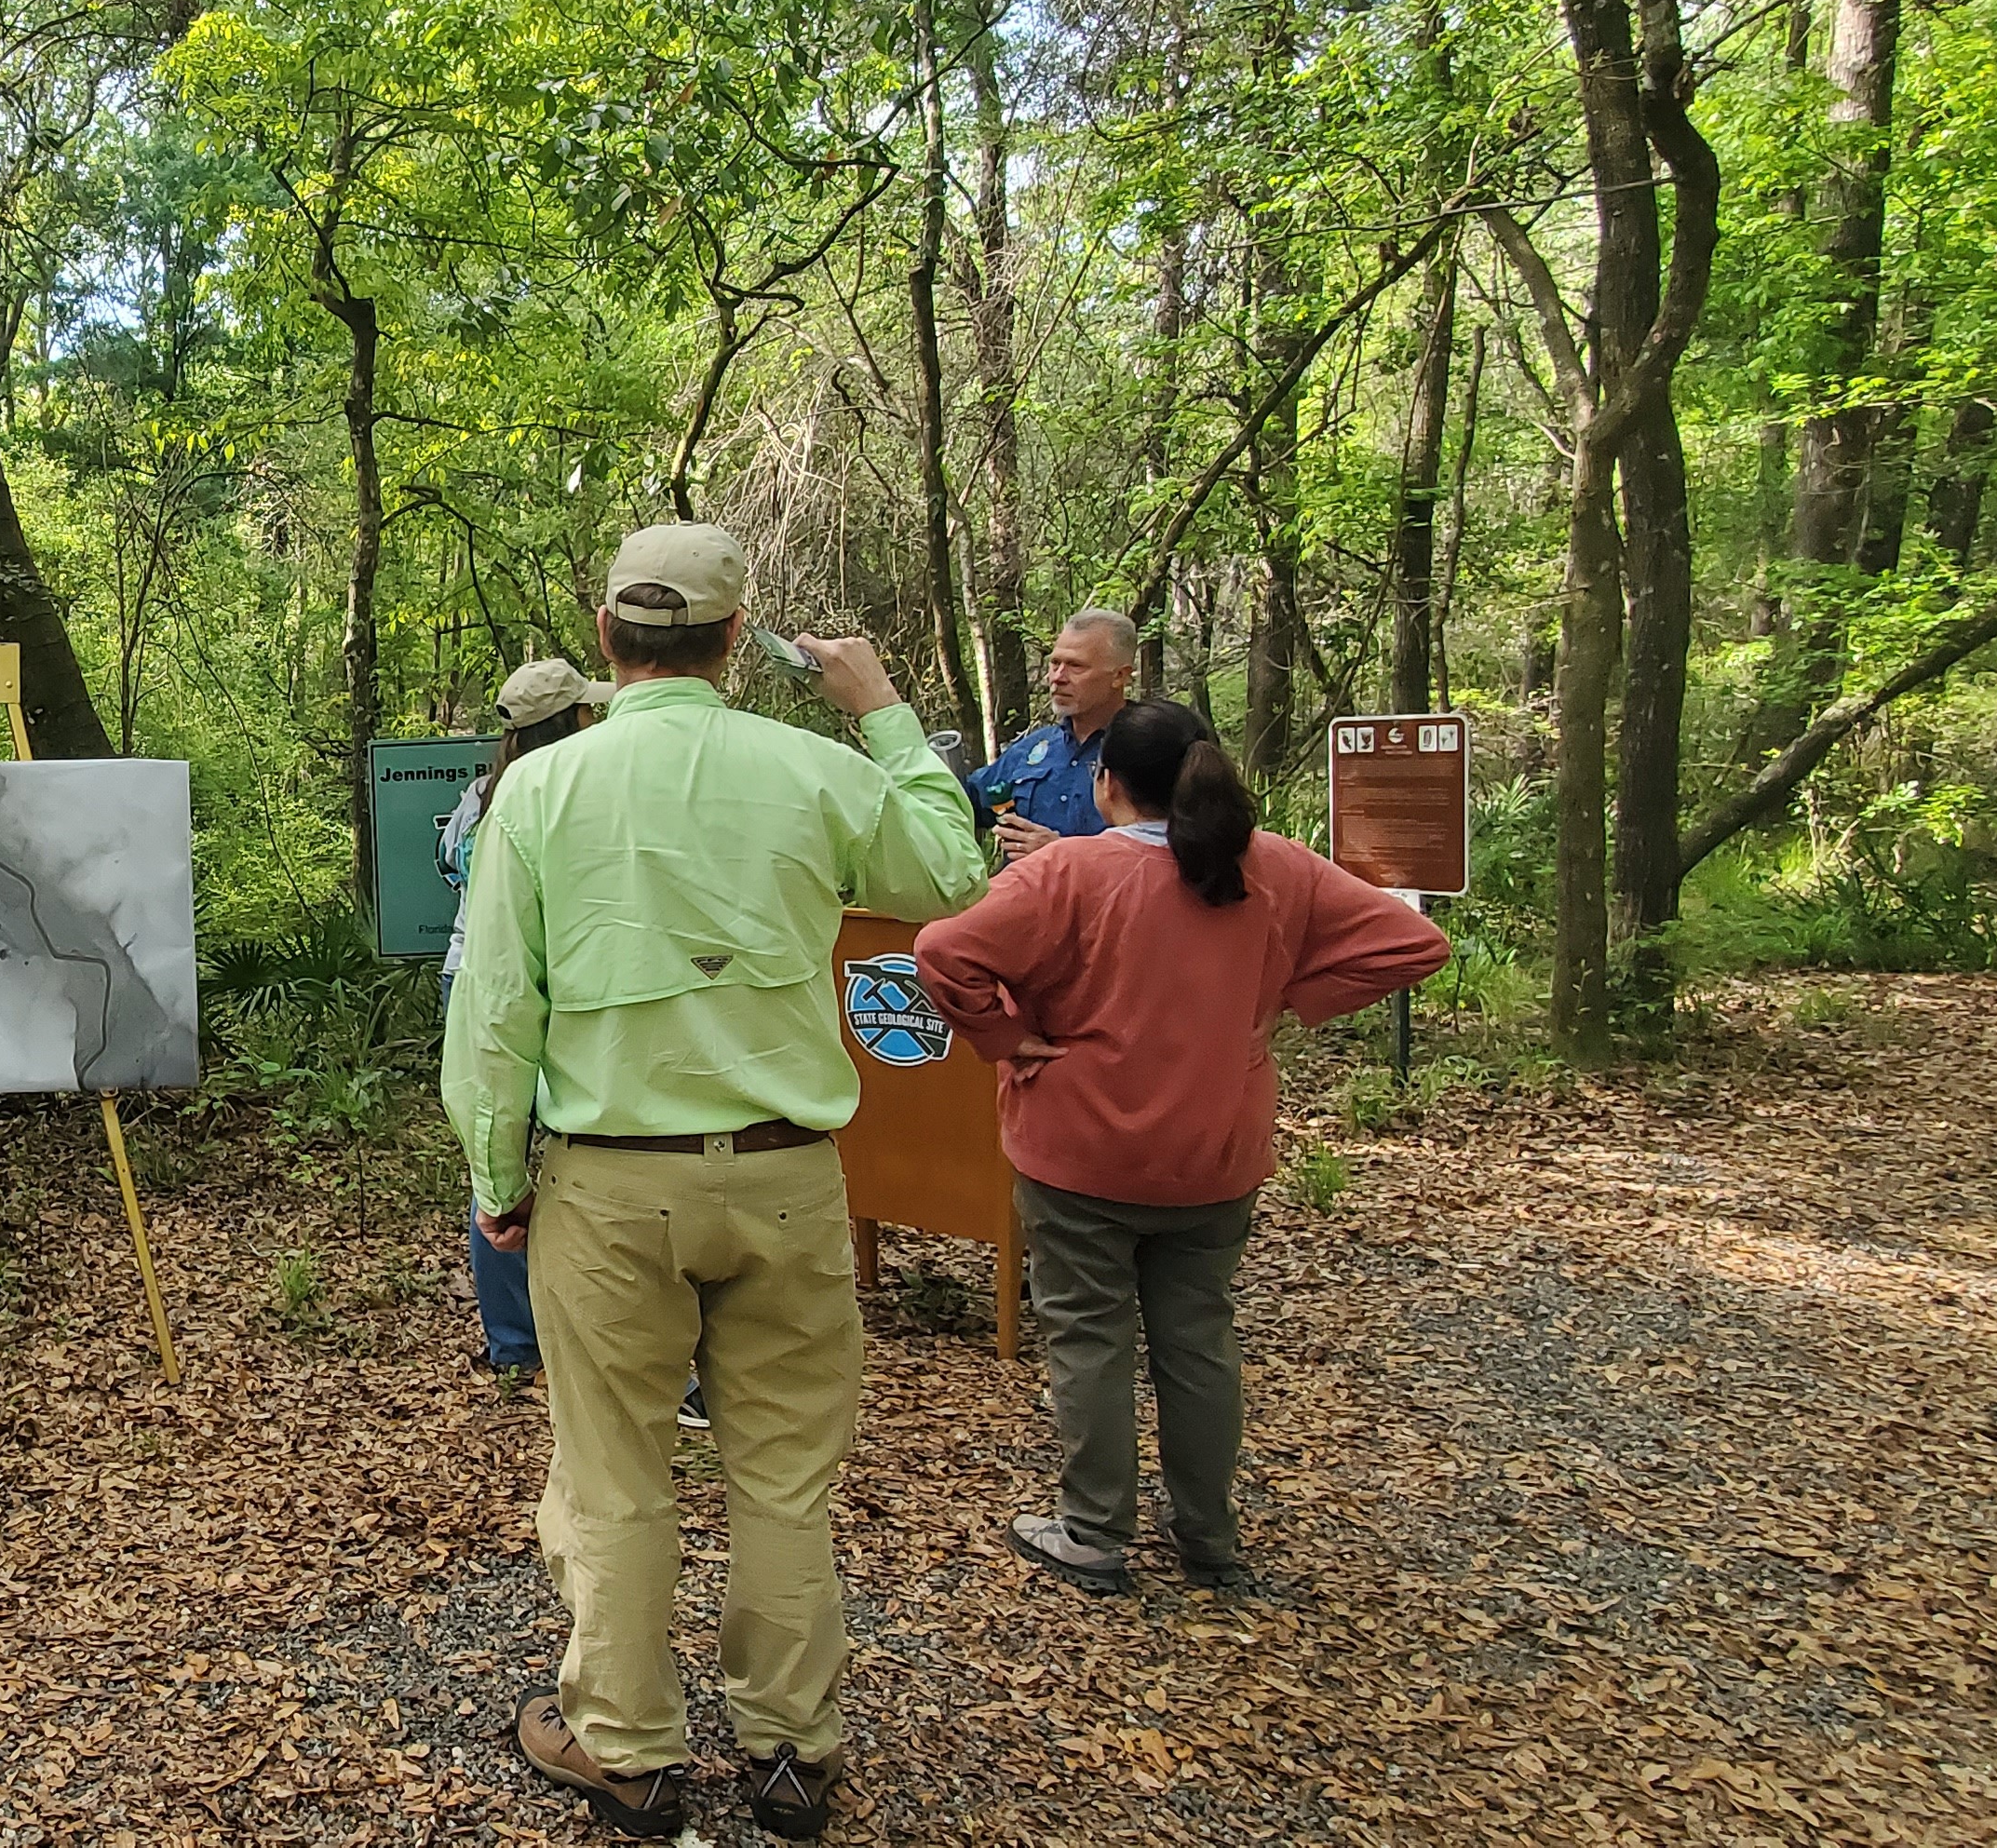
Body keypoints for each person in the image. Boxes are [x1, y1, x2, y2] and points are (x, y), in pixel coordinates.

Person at [443, 523, 988, 1841]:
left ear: (607, 634)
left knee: (615, 1472)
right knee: (785, 1477)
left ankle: (628, 1748)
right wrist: (885, 713)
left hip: (607, 1186)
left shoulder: (543, 789)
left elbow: (498, 1012)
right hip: (790, 1179)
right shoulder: (809, 771)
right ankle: (792, 1749)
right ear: (739, 637)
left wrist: (496, 1173)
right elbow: (953, 874)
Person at [911, 700, 1448, 1597]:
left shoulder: (1068, 874)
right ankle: (1209, 1537)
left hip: (1075, 1145)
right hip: (1214, 1149)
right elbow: (1411, 942)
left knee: (1089, 1336)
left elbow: (943, 953)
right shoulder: (1271, 867)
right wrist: (1282, 1001)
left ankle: (1093, 1530)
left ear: (1106, 781)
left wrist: (1006, 1040)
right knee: (1196, 1340)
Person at [439, 658, 608, 1376]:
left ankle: (515, 1345)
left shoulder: (481, 797)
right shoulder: (585, 794)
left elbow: (449, 864)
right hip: (561, 986)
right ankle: (602, 1334)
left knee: (494, 1164)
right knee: (592, 1154)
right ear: (572, 721)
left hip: (469, 984)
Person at [965, 608, 1139, 860]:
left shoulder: (1151, 750)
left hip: (1101, 898)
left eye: (1076, 666)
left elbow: (1166, 855)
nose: (1057, 678)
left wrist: (1062, 853)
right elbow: (967, 804)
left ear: (1119, 676)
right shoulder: (1034, 749)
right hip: (1020, 894)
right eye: (1055, 663)